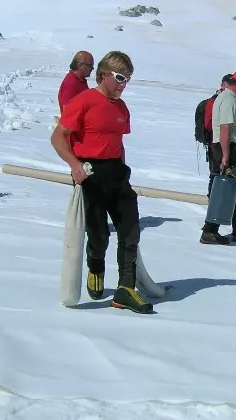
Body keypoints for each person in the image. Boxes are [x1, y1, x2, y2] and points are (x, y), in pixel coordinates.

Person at [50, 50, 152, 315]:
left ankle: (125, 290)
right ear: (104, 74)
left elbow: (118, 143)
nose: (123, 84)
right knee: (99, 234)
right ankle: (96, 265)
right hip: (90, 173)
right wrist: (74, 165)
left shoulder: (121, 108)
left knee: (130, 230)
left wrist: (123, 168)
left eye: (127, 79)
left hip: (117, 173)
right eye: (119, 77)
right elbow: (58, 138)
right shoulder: (84, 101)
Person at [200, 70, 236, 245]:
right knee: (225, 190)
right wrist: (225, 155)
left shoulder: (230, 100)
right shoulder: (228, 100)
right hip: (228, 148)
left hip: (231, 147)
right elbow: (225, 128)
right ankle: (210, 231)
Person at [194, 74, 233, 196]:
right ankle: (214, 203)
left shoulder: (227, 100)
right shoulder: (215, 101)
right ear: (222, 85)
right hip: (215, 145)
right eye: (228, 85)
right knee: (216, 175)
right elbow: (209, 124)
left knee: (221, 176)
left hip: (222, 143)